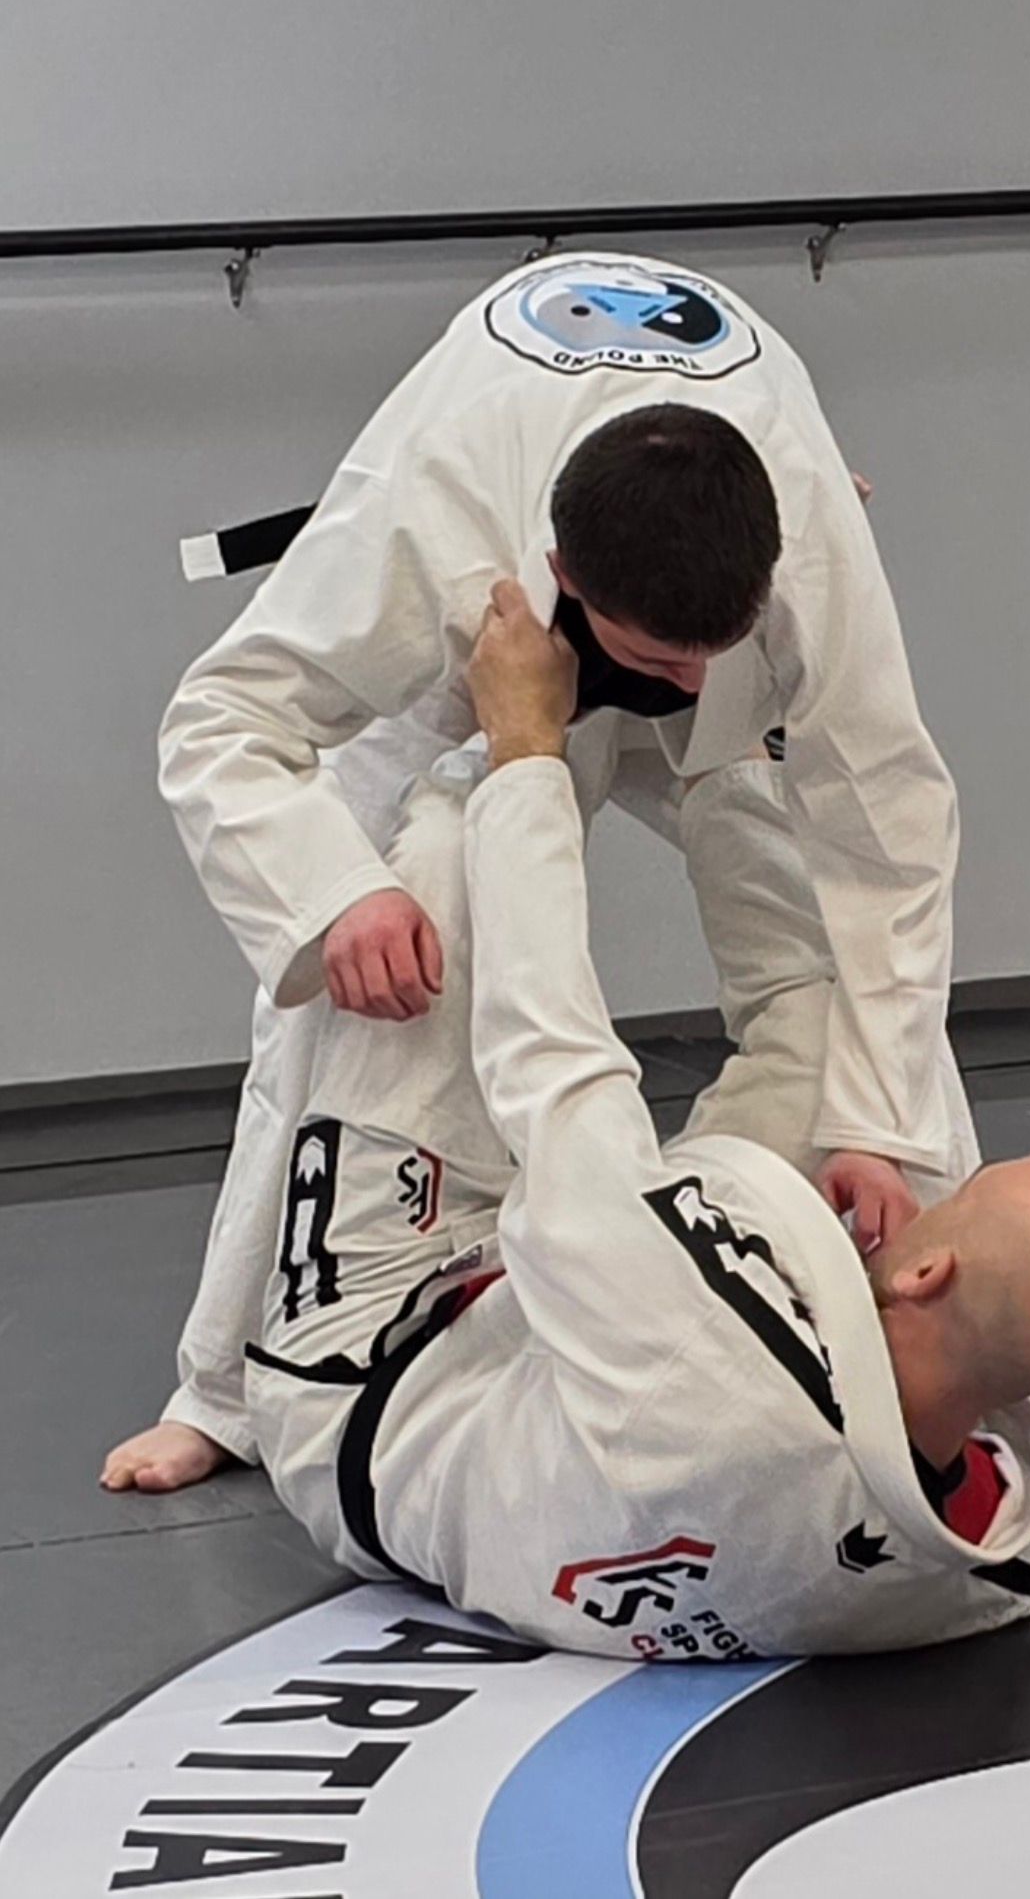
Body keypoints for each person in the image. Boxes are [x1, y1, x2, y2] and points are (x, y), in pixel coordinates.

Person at [105, 251, 972, 1493]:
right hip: (476, 658)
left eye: (708, 655)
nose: (684, 685)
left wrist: (874, 1126)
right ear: (566, 574)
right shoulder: (426, 516)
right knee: (346, 984)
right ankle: (223, 1387)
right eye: (659, 659)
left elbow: (890, 831)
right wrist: (337, 894)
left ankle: (918, 1312)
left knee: (849, 959)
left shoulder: (809, 537)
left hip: (707, 580)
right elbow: (220, 721)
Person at [239, 584, 1030, 1659]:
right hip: (604, 1358)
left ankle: (551, 679)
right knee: (846, 1059)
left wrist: (525, 754)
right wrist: (739, 718)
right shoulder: (1009, 1546)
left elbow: (551, 1068)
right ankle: (712, 740)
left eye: (956, 1202)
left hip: (387, 1372)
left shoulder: (705, 1369)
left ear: (923, 1270)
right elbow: (918, 1132)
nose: (928, 1196)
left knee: (440, 867)